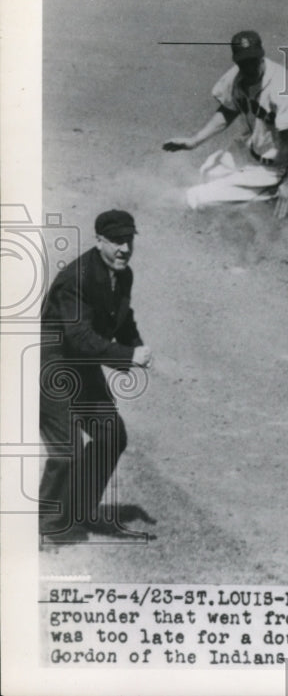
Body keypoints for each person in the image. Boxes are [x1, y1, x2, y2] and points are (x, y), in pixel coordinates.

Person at [38, 210, 153, 542]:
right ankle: (43, 526)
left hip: (81, 366)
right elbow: (79, 338)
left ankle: (80, 511)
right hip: (50, 367)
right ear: (99, 240)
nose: (124, 249)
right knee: (66, 452)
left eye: (129, 241)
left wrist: (137, 349)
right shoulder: (77, 278)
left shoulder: (122, 274)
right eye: (116, 241)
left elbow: (123, 318)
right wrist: (129, 356)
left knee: (111, 434)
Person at [163, 30, 288, 220]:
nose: (249, 66)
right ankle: (258, 212)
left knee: (196, 198)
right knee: (207, 173)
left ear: (261, 54)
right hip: (245, 153)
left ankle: (279, 214)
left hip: (272, 170)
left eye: (253, 60)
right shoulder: (238, 75)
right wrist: (195, 141)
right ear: (236, 60)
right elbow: (229, 108)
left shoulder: (283, 88)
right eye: (243, 62)